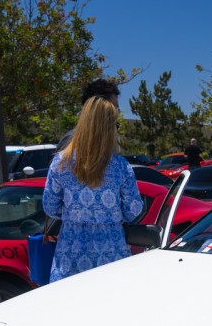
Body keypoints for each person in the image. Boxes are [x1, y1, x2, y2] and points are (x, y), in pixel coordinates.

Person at [42, 97, 143, 282]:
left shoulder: (60, 163)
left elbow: (50, 207)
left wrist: (74, 214)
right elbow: (133, 211)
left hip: (70, 254)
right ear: (109, 129)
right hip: (111, 252)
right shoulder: (120, 166)